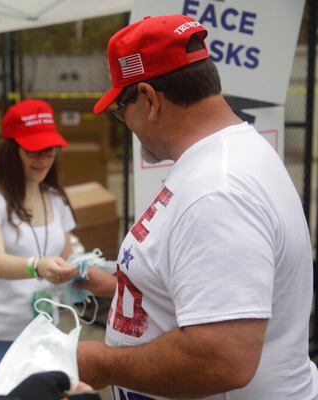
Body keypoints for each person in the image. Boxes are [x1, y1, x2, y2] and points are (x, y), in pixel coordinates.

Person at [76, 14, 318, 399]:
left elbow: (222, 358)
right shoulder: (222, 157)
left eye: (121, 110)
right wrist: (120, 284)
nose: (126, 123)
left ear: (150, 99)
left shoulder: (217, 191)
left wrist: (100, 363)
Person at [0, 99, 80, 398]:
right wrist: (38, 265)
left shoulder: (55, 198)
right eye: (33, 149)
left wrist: (82, 269)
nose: (43, 158)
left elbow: (67, 253)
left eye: (50, 149)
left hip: (45, 335)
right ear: (11, 150)